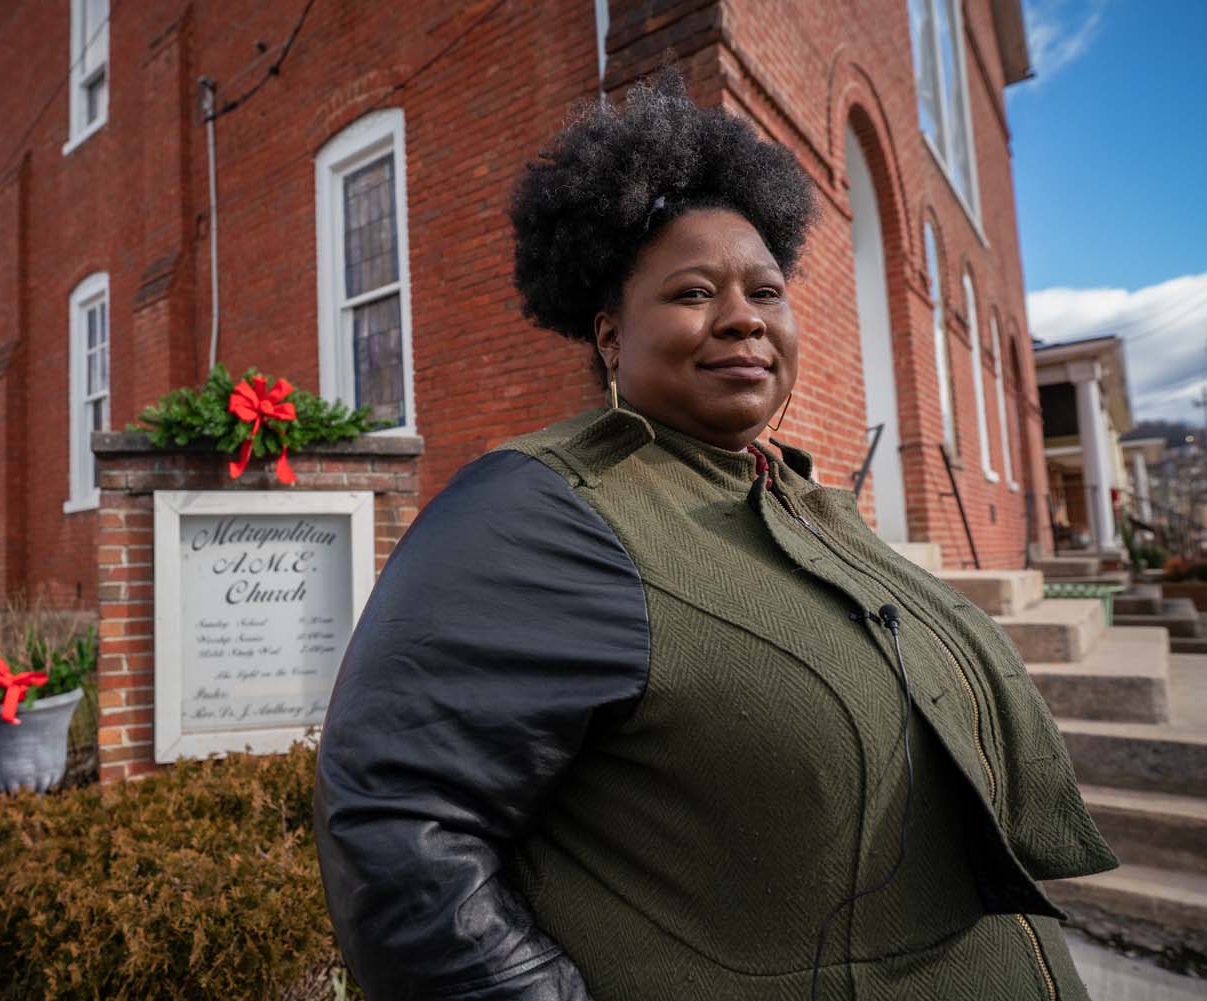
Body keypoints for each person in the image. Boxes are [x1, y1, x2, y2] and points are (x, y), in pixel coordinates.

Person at [313, 70, 1116, 1001]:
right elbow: (396, 825)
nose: (743, 316)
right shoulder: (546, 509)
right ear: (612, 339)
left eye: (765, 291)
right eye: (694, 291)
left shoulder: (801, 501)